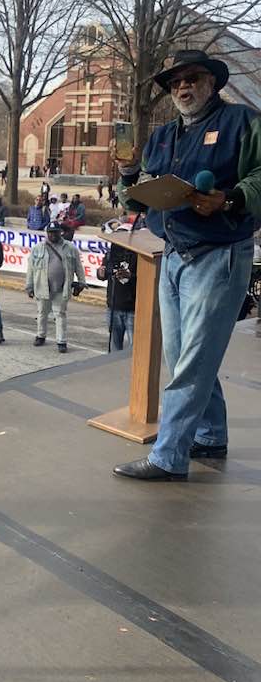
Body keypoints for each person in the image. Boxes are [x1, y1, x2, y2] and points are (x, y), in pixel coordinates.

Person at [112, 49, 261, 480]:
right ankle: (211, 435)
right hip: (172, 254)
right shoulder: (162, 138)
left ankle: (169, 456)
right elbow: (136, 195)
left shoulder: (242, 123)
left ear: (212, 83)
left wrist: (230, 198)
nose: (183, 86)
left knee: (194, 360)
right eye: (176, 81)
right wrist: (128, 174)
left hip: (219, 256)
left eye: (192, 78)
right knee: (182, 357)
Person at [26, 220, 86, 353]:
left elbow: (78, 267)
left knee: (60, 314)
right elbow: (31, 268)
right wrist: (29, 286)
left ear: (60, 233)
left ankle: (61, 341)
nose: (53, 235)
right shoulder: (38, 248)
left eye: (55, 232)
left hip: (61, 287)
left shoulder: (70, 248)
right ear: (47, 233)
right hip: (42, 286)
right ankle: (40, 335)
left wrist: (82, 282)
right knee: (42, 313)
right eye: (50, 233)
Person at [97, 242, 137, 351]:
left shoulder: (139, 254)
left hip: (134, 309)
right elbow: (104, 272)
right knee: (114, 347)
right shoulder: (111, 254)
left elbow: (147, 277)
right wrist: (100, 273)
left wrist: (131, 276)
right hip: (114, 307)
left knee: (135, 348)